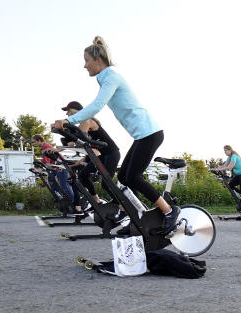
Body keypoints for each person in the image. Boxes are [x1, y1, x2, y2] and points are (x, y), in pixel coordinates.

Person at [53, 36, 179, 234]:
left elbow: (96, 106)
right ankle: (134, 216)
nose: (84, 65)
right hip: (142, 136)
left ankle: (170, 211)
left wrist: (69, 121)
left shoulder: (111, 77)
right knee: (124, 177)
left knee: (134, 177)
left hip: (150, 133)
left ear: (98, 60)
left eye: (87, 60)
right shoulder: (106, 79)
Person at [61, 100, 120, 213]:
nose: (67, 114)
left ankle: (121, 208)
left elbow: (78, 140)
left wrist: (65, 132)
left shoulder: (87, 121)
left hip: (112, 153)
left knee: (106, 184)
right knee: (83, 175)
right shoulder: (82, 123)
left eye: (69, 111)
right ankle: (97, 201)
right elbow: (77, 141)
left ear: (78, 111)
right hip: (102, 155)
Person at [32, 134, 74, 204]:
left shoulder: (46, 147)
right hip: (54, 167)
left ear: (39, 140)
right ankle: (60, 199)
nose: (33, 144)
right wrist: (38, 168)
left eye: (34, 142)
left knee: (64, 185)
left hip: (60, 167)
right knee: (51, 181)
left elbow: (46, 162)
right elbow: (45, 161)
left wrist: (40, 169)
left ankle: (72, 203)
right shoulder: (44, 146)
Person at [214, 145, 241, 212]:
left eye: (226, 150)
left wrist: (220, 169)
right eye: (224, 151)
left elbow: (229, 167)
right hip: (240, 174)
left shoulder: (234, 156)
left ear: (230, 150)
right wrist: (216, 169)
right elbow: (225, 165)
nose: (225, 152)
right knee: (230, 185)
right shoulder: (229, 157)